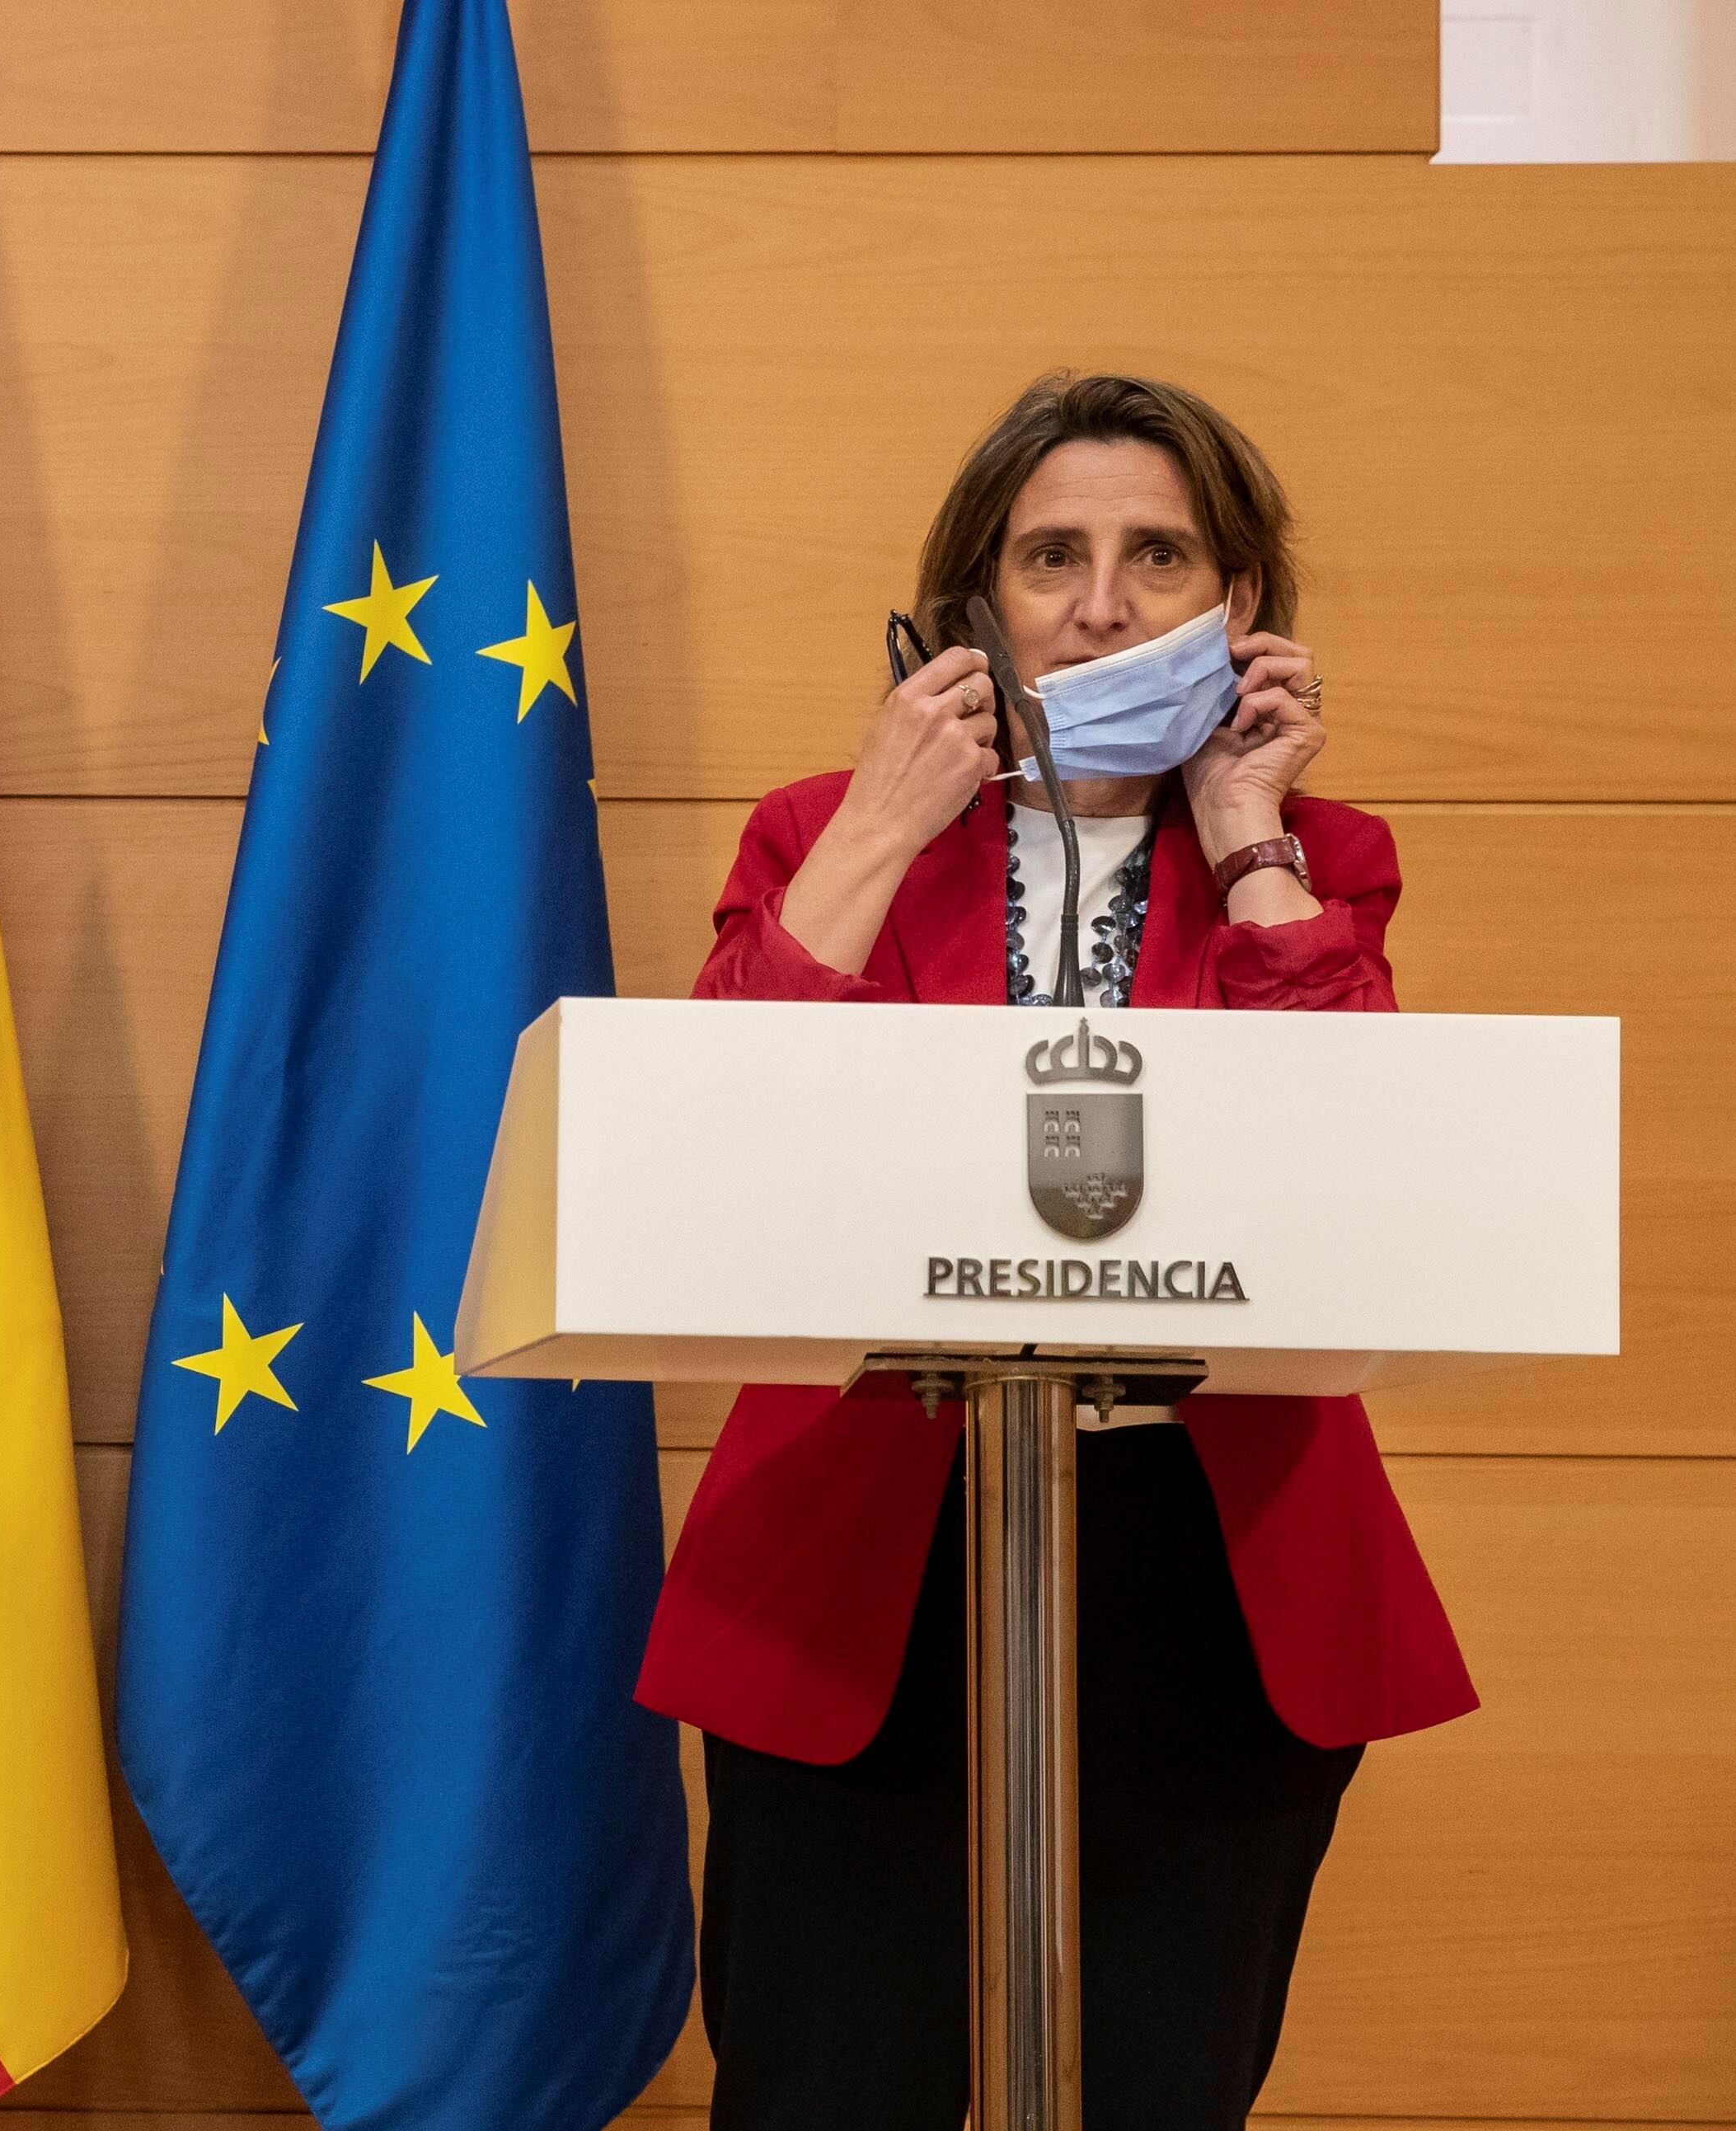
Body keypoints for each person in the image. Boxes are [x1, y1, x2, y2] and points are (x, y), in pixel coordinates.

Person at [637, 373, 1476, 2129]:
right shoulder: (818, 830)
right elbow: (712, 1144)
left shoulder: (1325, 863)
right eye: (1051, 557)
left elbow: (1354, 1185)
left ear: (1238, 610)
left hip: (1207, 1567)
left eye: (1158, 555)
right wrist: (881, 820)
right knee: (828, 2092)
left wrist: (1248, 840)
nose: (1102, 603)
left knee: (1163, 2094)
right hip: (872, 1548)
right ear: (969, 609)